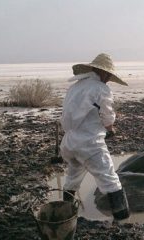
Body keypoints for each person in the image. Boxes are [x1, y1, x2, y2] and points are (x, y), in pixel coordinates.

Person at [60, 53, 130, 220]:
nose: (108, 80)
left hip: (69, 142)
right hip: (89, 142)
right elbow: (107, 114)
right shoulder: (100, 88)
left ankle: (65, 214)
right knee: (110, 179)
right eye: (108, 76)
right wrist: (110, 129)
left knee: (73, 176)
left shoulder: (75, 86)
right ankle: (124, 219)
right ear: (103, 73)